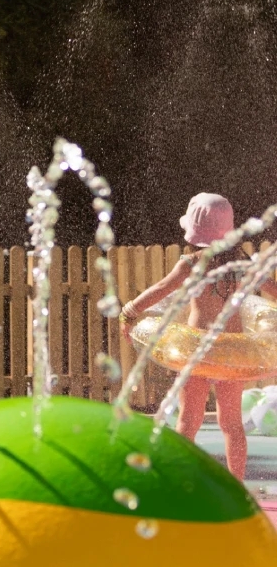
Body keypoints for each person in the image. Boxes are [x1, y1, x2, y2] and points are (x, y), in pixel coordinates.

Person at [120, 193, 277, 480]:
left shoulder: (191, 264)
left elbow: (160, 289)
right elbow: (273, 288)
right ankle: (238, 487)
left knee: (188, 422)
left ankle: (180, 484)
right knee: (231, 424)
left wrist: (129, 313)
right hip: (232, 355)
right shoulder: (242, 266)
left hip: (197, 351)